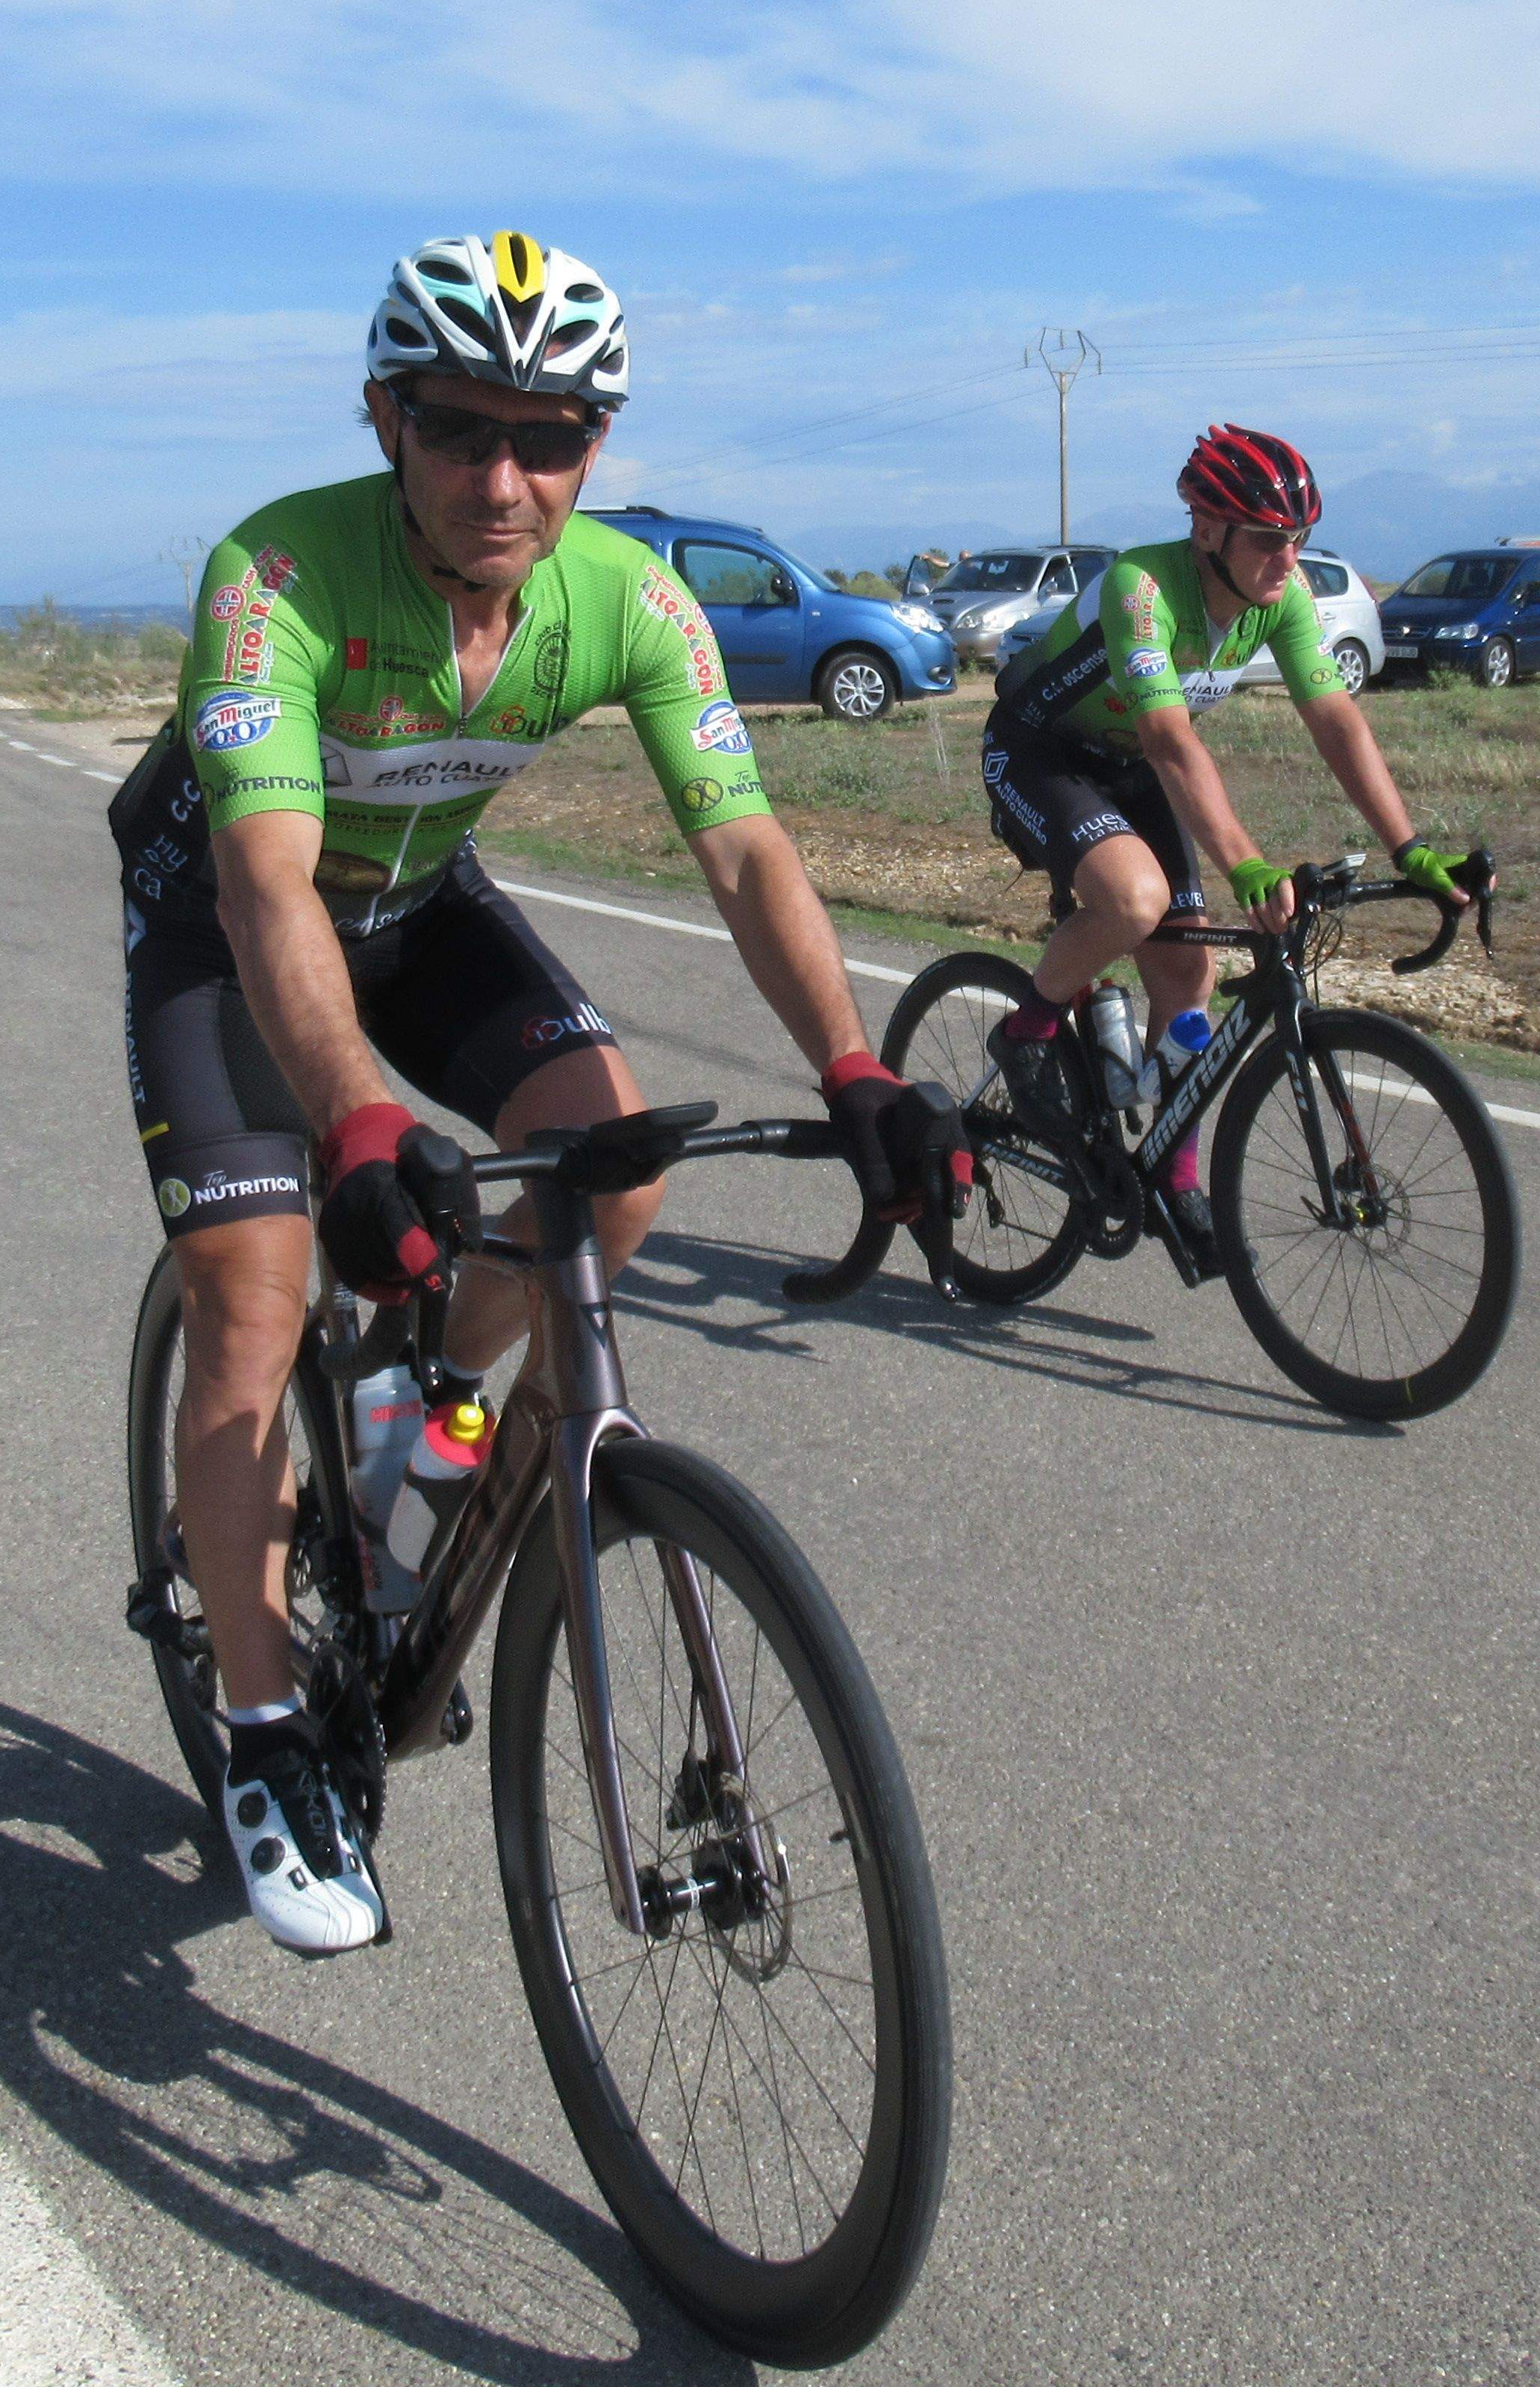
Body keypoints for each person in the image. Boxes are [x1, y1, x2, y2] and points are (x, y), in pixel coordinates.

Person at [114, 227, 961, 1955]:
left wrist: (859, 1067)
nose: (503, 479)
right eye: (457, 430)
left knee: (614, 1170)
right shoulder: (277, 573)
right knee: (254, 1299)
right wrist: (356, 1122)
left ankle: (420, 1392)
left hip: (422, 905)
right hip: (226, 926)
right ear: (385, 422)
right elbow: (273, 890)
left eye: (551, 438)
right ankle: (268, 1737)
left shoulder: (629, 599)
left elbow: (743, 849)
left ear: (598, 445)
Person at [976, 424, 1471, 1248]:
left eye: (1300, 539)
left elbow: (1337, 722)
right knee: (1136, 901)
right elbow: (1174, 743)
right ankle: (1026, 1031)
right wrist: (1243, 861)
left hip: (1128, 764)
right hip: (1039, 753)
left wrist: (1409, 847)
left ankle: (1172, 1178)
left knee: (1190, 978)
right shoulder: (1141, 588)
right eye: (1272, 541)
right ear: (1208, 531)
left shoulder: (1284, 599)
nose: (1290, 559)